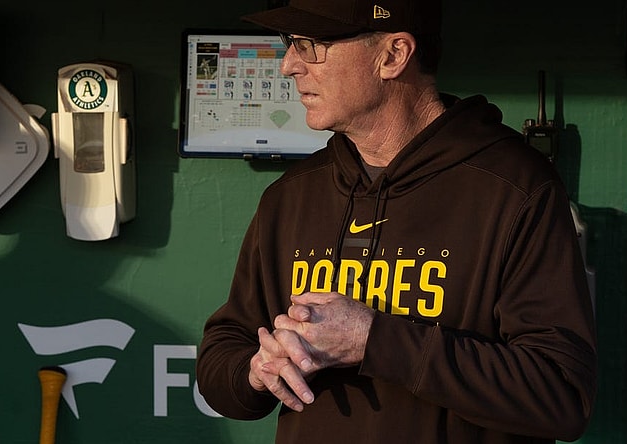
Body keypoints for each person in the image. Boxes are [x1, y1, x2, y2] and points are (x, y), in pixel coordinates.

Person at [196, 0, 598, 442]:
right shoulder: (290, 195)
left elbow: (560, 396)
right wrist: (256, 371)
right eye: (290, 43)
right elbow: (222, 360)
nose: (290, 65)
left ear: (393, 55)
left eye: (312, 45)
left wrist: (374, 341)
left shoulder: (516, 190)